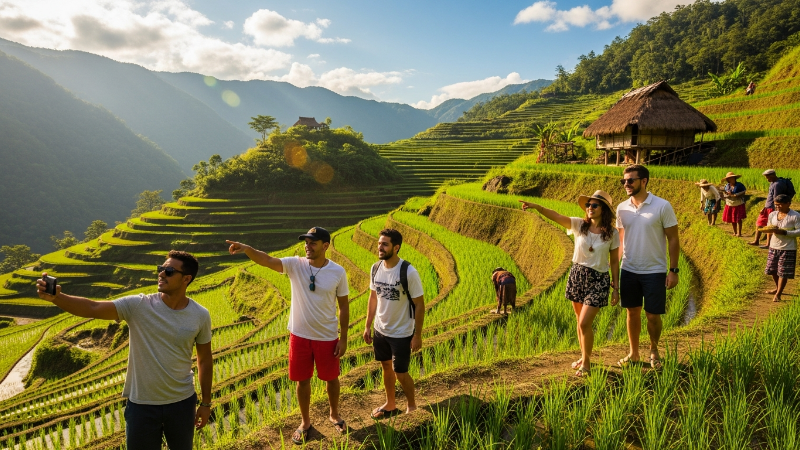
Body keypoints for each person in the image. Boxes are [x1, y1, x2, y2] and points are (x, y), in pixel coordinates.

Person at [37, 251, 212, 450]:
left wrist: (205, 404)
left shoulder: (200, 315)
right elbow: (93, 308)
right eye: (161, 269)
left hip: (182, 403)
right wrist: (57, 298)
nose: (161, 274)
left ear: (186, 279)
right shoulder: (138, 305)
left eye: (169, 271)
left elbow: (204, 359)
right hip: (141, 405)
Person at [227, 227, 349, 444]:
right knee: (303, 381)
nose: (307, 246)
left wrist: (344, 338)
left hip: (327, 336)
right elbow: (267, 260)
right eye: (306, 242)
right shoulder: (295, 264)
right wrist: (247, 249)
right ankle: (305, 422)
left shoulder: (338, 272)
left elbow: (344, 307)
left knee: (331, 378)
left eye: (313, 242)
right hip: (299, 336)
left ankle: (334, 414)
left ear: (325, 246)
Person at [520, 190, 620, 377]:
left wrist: (616, 288)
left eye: (595, 205)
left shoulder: (612, 233)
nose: (590, 208)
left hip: (599, 279)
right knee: (578, 321)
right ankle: (584, 356)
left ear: (604, 209)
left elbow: (614, 261)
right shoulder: (579, 224)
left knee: (584, 322)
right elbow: (556, 216)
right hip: (577, 275)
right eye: (588, 205)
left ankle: (587, 364)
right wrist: (537, 207)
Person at [616, 165, 680, 370]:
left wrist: (673, 270)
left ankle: (654, 350)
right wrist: (613, 272)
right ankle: (634, 353)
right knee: (632, 313)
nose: (626, 184)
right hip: (629, 269)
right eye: (624, 181)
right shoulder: (621, 208)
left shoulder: (662, 206)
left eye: (631, 180)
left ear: (644, 181)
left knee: (653, 315)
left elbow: (673, 238)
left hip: (655, 270)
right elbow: (620, 240)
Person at [362, 229, 425, 418]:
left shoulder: (408, 272)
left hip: (401, 333)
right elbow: (373, 298)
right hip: (380, 330)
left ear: (396, 248)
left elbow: (420, 304)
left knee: (401, 373)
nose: (380, 247)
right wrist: (367, 325)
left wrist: (417, 334)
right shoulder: (376, 268)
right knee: (386, 367)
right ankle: (390, 404)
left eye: (385, 244)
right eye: (379, 243)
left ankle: (411, 405)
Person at [764, 194, 800, 302]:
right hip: (774, 246)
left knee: (783, 271)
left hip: (788, 247)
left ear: (788, 204)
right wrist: (768, 239)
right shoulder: (773, 214)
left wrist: (785, 232)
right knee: (772, 270)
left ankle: (778, 294)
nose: (778, 207)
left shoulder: (795, 216)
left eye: (780, 205)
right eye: (776, 205)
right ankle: (777, 287)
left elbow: (799, 231)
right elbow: (769, 227)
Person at [750, 169, 792, 248]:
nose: (767, 179)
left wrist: (776, 210)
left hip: (772, 208)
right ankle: (756, 241)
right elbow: (770, 197)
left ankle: (768, 244)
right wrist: (765, 206)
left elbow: (776, 199)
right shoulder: (773, 183)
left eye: (767, 177)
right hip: (767, 206)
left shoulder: (777, 184)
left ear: (772, 175)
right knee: (759, 223)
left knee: (770, 226)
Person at [721, 172, 747, 237]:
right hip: (730, 203)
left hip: (738, 203)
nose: (731, 179)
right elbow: (724, 194)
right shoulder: (727, 186)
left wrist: (736, 195)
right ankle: (735, 232)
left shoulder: (739, 185)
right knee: (732, 219)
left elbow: (744, 191)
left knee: (738, 219)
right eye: (729, 179)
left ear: (735, 178)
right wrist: (727, 194)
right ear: (728, 180)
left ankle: (739, 233)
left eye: (732, 178)